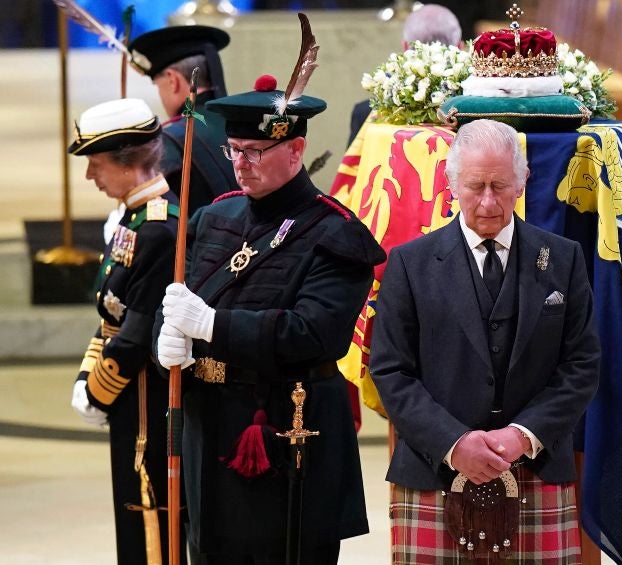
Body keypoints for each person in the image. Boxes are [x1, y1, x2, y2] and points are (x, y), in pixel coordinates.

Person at [154, 73, 385, 563]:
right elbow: (178, 302)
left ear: (296, 150)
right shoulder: (214, 218)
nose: (240, 164)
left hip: (288, 439)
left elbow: (313, 334)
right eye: (233, 150)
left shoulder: (336, 234)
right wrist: (165, 341)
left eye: (254, 152)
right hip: (210, 431)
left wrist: (213, 327)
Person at [369, 119, 601, 564]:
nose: (490, 201)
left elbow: (582, 363)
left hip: (536, 467)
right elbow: (390, 371)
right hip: (433, 470)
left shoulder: (564, 259)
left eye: (501, 185)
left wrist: (522, 435)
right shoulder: (409, 263)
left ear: (523, 181)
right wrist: (455, 444)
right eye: (476, 186)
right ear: (452, 184)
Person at [68, 98, 183, 564]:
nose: (90, 177)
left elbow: (135, 335)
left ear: (129, 162)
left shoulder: (157, 228)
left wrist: (97, 390)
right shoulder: (132, 220)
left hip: (145, 405)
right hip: (128, 398)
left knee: (147, 516)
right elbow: (110, 319)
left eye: (96, 164)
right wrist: (85, 377)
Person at [129, 24, 239, 214]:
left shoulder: (171, 138)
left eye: (158, 85)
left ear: (173, 80)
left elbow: (159, 220)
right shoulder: (246, 123)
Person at [347, 3, 463, 146]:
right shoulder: (479, 115)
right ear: (460, 47)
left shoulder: (366, 115)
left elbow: (353, 166)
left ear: (405, 47)